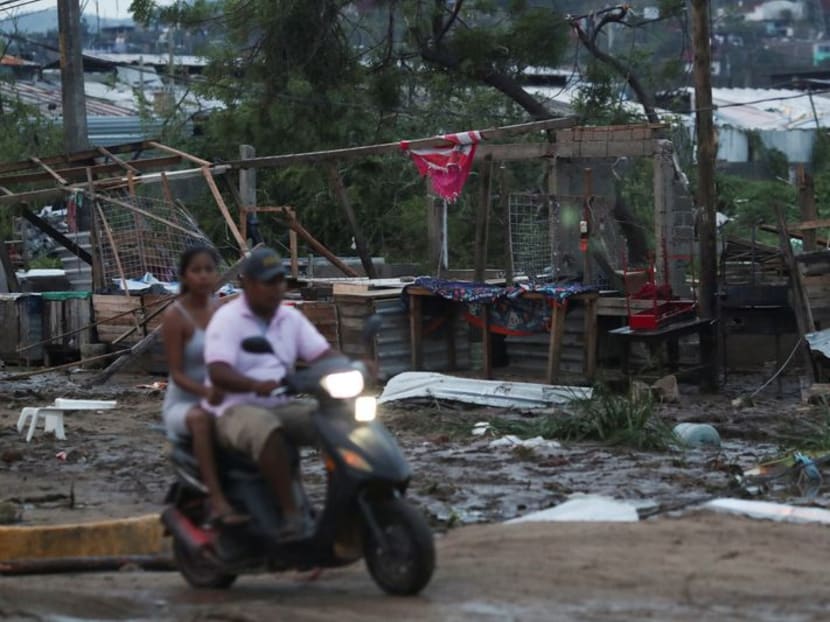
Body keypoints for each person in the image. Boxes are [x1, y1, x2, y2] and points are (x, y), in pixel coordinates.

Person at [203, 246, 333, 540]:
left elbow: (321, 354)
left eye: (280, 281)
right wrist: (252, 385)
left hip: (281, 402)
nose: (277, 289)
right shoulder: (228, 319)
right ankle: (291, 515)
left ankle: (346, 499)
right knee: (268, 429)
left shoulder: (289, 318)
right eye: (268, 282)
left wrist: (353, 366)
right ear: (247, 283)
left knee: (335, 421)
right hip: (233, 409)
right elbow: (218, 371)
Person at [161, 246, 247, 527]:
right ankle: (217, 499)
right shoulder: (175, 316)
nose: (204, 276)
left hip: (220, 395)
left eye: (209, 270)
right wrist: (206, 393)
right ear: (185, 276)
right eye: (196, 271)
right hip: (185, 403)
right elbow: (176, 373)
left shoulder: (219, 309)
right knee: (202, 419)